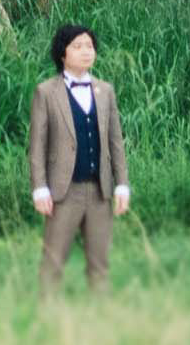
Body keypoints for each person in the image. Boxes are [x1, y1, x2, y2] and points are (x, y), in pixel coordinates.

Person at [28, 23, 128, 297]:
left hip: (99, 191)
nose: (86, 51)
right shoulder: (46, 92)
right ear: (63, 53)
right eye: (78, 46)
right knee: (53, 262)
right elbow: (36, 146)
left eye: (90, 46)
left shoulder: (105, 91)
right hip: (63, 192)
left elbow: (115, 142)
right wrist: (39, 188)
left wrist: (122, 184)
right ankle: (48, 315)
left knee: (100, 264)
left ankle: (101, 315)